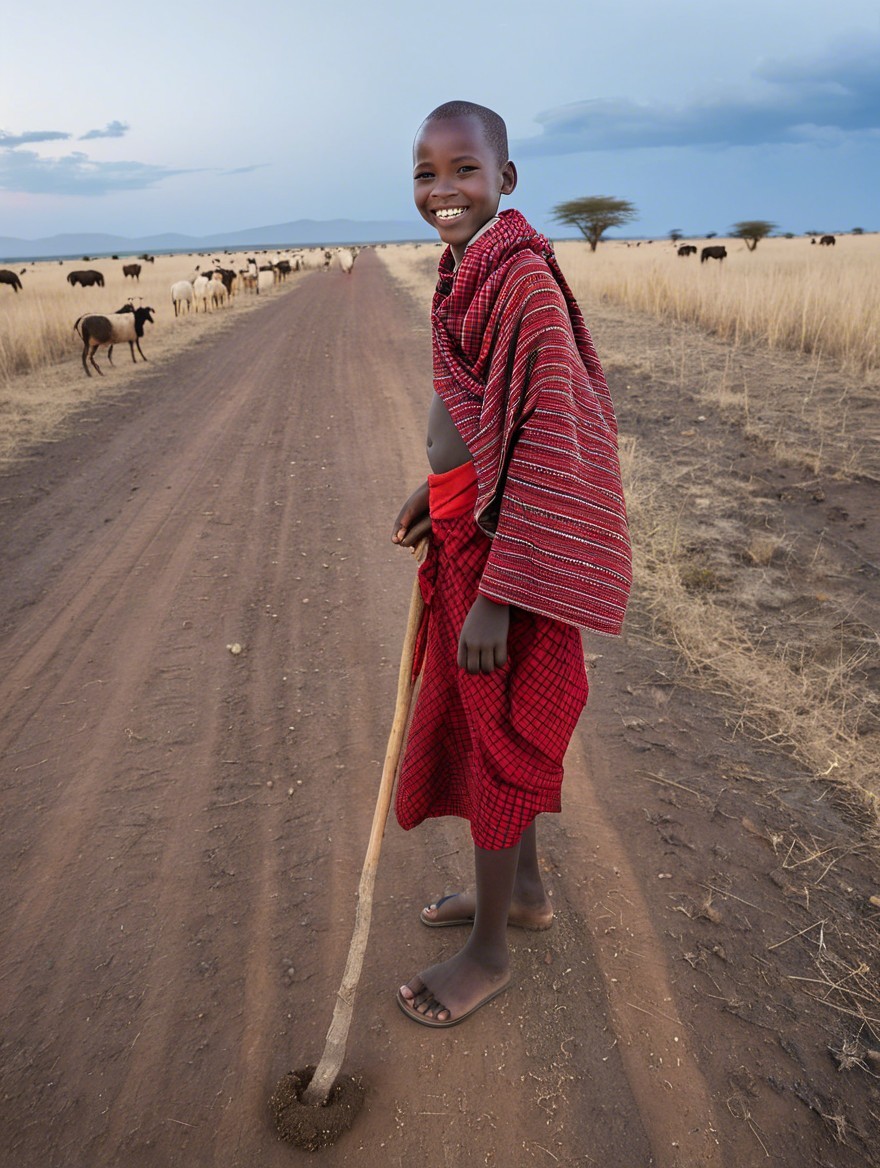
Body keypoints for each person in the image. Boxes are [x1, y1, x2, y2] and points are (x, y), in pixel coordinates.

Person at [391, 100, 631, 1027]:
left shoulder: (521, 280)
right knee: (492, 729)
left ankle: (489, 952)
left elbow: (545, 440)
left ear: (507, 179)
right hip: (471, 530)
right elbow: (478, 412)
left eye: (463, 170)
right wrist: (435, 487)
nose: (442, 190)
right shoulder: (464, 268)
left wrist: (500, 592)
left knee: (500, 743)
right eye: (424, 172)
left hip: (510, 558)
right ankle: (521, 892)